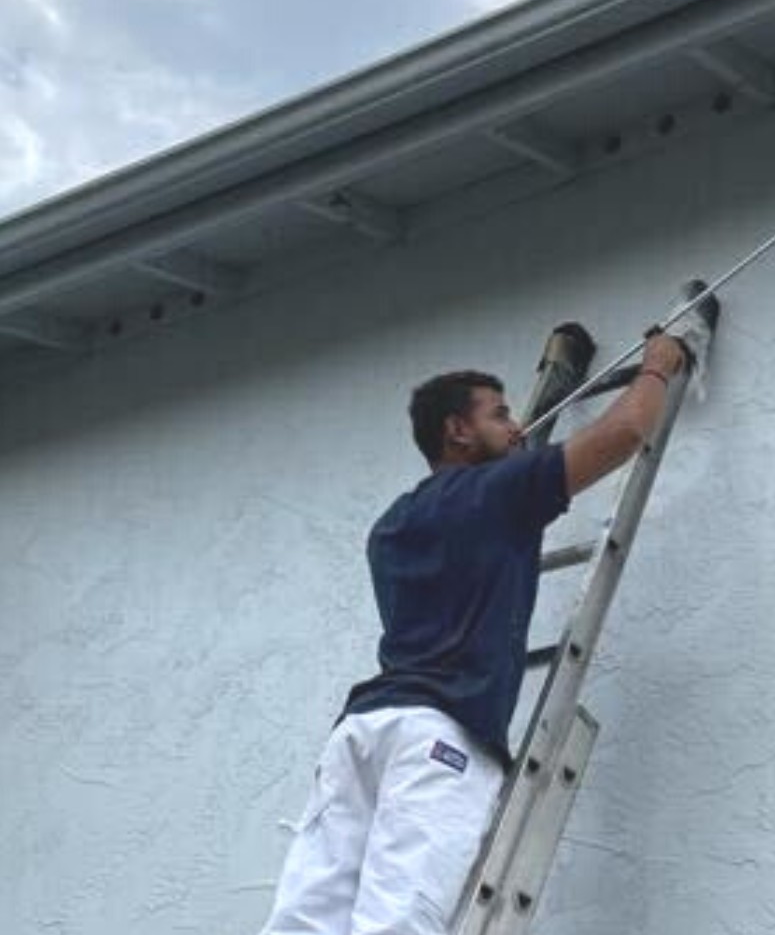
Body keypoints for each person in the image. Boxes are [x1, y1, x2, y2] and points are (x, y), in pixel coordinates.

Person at [256, 314, 708, 935]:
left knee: (304, 921)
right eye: (500, 415)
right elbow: (627, 430)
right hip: (436, 740)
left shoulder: (392, 525)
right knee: (399, 922)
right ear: (457, 431)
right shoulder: (497, 494)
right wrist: (662, 360)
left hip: (361, 735)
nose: (518, 425)